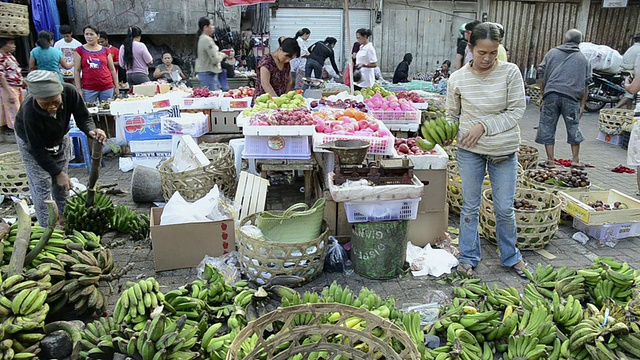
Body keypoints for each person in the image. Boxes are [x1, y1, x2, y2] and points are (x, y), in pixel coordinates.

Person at [446, 22, 529, 277]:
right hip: (470, 152)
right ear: (471, 48)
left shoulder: (510, 73)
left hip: (503, 153)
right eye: (482, 52)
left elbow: (516, 110)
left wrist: (483, 125)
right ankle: (468, 257)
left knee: (504, 208)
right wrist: (445, 134)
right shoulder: (457, 78)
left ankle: (510, 256)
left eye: (493, 52)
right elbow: (452, 115)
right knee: (469, 207)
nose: (487, 58)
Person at [15, 70, 107, 226]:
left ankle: (66, 219)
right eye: (45, 103)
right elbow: (36, 149)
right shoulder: (28, 111)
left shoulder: (70, 92)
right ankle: (47, 228)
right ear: (36, 98)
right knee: (41, 185)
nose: (52, 107)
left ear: (60, 92)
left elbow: (83, 116)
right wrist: (57, 173)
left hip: (60, 136)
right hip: (33, 143)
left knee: (62, 184)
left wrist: (91, 130)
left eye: (55, 101)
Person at [535, 29, 592, 169]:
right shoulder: (583, 59)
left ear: (565, 39)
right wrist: (582, 105)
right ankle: (575, 160)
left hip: (551, 96)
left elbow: (541, 73)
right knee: (574, 127)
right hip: (572, 98)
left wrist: (543, 95)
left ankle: (550, 161)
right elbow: (586, 84)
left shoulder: (552, 53)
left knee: (548, 126)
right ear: (580, 41)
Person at [74, 25, 118, 103]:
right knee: (90, 112)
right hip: (88, 89)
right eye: (86, 34)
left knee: (107, 112)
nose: (89, 37)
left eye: (91, 34)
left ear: (97, 36)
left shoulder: (106, 50)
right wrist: (79, 89)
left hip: (107, 87)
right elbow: (77, 71)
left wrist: (116, 86)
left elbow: (112, 69)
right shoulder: (79, 50)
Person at [195, 17, 227, 90]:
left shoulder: (202, 38)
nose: (213, 27)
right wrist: (223, 54)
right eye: (211, 25)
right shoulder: (207, 40)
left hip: (206, 72)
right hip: (209, 73)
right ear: (205, 27)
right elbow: (215, 59)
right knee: (211, 98)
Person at [0, 38, 23, 130]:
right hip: (9, 88)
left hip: (17, 86)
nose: (14, 46)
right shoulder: (1, 57)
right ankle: (16, 130)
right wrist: (9, 93)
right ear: (3, 45)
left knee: (19, 109)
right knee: (14, 111)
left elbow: (16, 71)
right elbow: (1, 76)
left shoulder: (10, 56)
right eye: (11, 44)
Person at [616, 33, 640, 108]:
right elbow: (637, 66)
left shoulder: (631, 48)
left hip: (624, 72)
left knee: (629, 94)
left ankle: (629, 111)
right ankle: (614, 109)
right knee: (629, 95)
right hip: (632, 74)